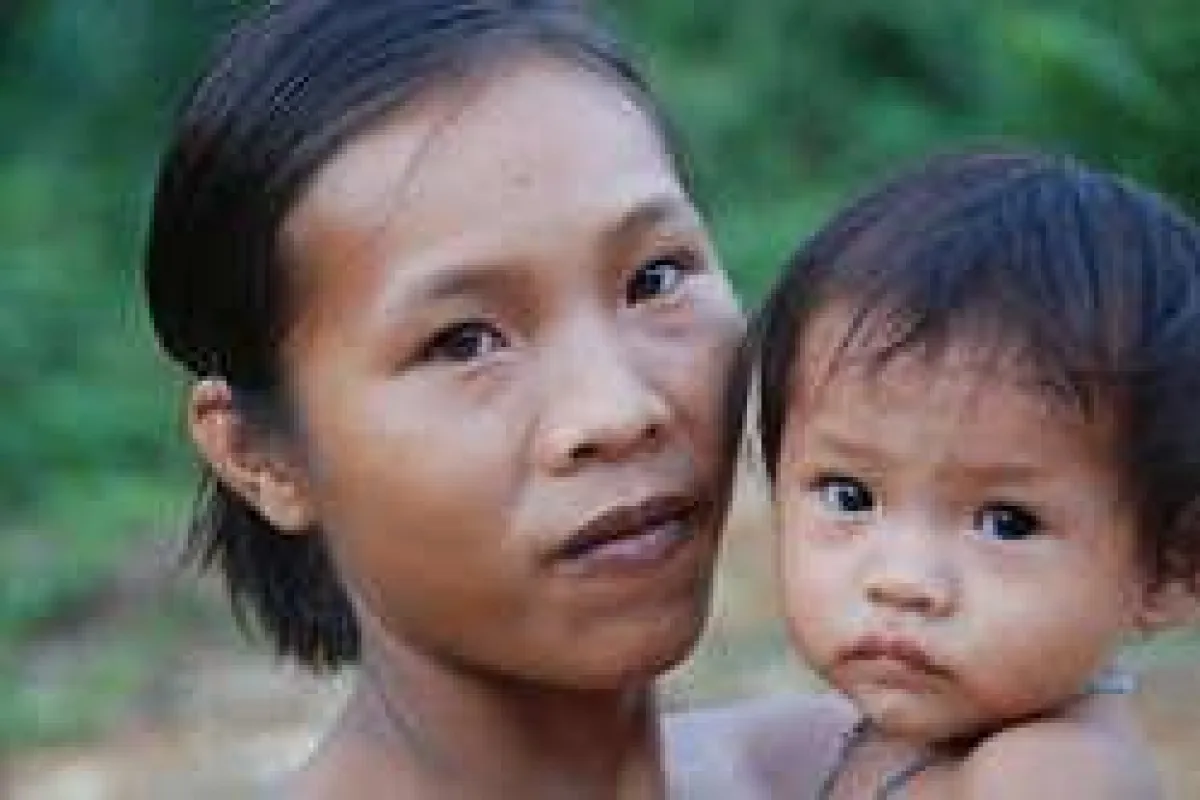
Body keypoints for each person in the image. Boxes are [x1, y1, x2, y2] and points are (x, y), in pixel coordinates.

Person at [142, 0, 757, 796]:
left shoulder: (862, 776)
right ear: (260, 456)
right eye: (463, 342)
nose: (617, 410)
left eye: (654, 279)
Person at [729, 149, 1200, 797]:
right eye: (851, 495)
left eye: (1006, 522)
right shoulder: (859, 742)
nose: (902, 580)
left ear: (1175, 568)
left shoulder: (1056, 774)